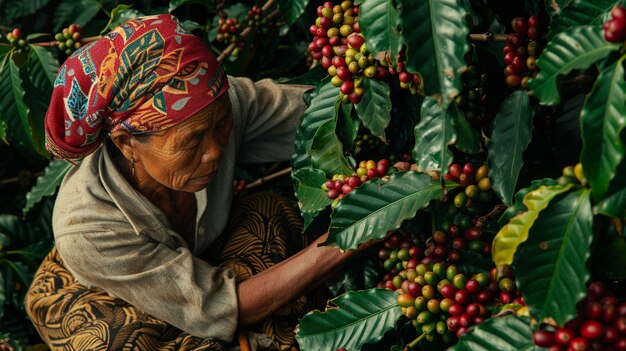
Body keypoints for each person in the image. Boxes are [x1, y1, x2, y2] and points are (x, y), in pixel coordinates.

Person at [25, 14, 376, 351]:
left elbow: (328, 115)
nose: (214, 152)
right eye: (192, 141)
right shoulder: (87, 226)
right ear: (126, 143)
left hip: (203, 256)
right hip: (110, 292)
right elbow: (220, 307)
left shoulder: (217, 105)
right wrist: (353, 231)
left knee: (270, 212)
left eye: (221, 125)